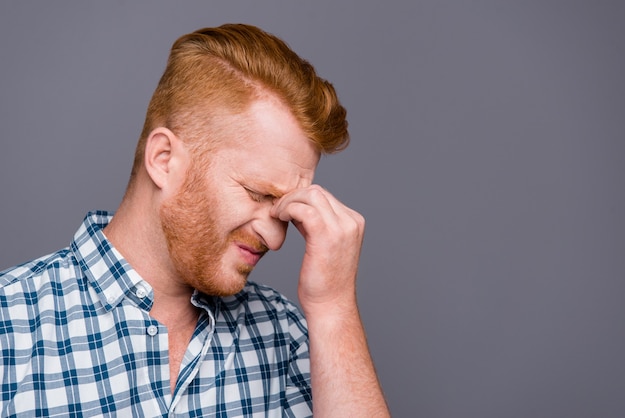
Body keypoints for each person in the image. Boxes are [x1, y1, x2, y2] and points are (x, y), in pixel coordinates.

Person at [0, 23, 389, 417]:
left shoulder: (288, 335)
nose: (276, 238)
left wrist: (333, 307)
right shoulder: (9, 325)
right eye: (258, 193)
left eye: (285, 209)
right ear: (164, 160)